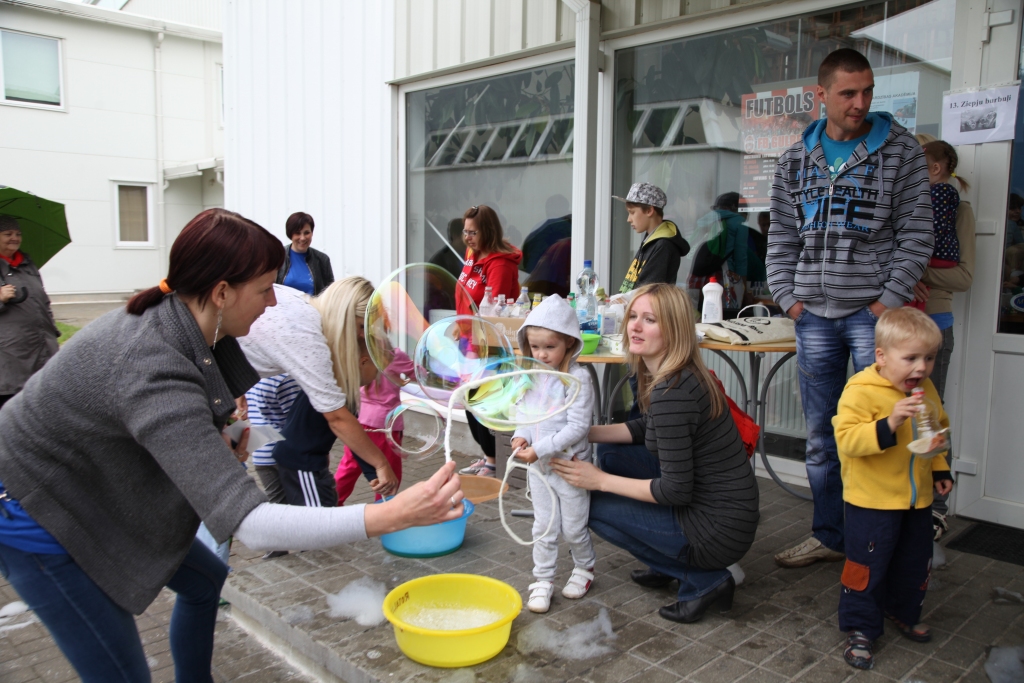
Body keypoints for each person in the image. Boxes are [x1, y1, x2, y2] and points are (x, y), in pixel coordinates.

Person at [0, 208, 466, 683]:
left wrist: (220, 431)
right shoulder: (151, 363)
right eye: (265, 290)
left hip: (91, 484)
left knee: (205, 583)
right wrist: (394, 514)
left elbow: (175, 412)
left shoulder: (195, 324)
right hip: (38, 510)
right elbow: (254, 526)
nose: (272, 304)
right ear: (222, 292)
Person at [767, 48, 934, 569]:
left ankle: (884, 540)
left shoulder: (901, 153)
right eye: (847, 93)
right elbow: (781, 238)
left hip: (872, 319)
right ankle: (830, 535)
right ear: (821, 96)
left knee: (887, 427)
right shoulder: (795, 160)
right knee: (823, 435)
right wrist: (789, 300)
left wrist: (887, 302)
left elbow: (917, 235)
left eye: (866, 92)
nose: (859, 102)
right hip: (812, 317)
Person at [551, 284, 759, 624]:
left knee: (589, 504)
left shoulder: (672, 391)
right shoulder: (680, 373)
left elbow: (676, 490)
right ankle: (666, 561)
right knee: (612, 452)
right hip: (726, 510)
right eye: (633, 316)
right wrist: (583, 432)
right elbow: (648, 427)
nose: (634, 326)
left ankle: (704, 580)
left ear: (674, 329)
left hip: (717, 529)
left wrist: (599, 481)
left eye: (650, 320)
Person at [832, 307, 952, 670]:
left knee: (914, 561)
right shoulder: (861, 390)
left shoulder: (925, 388)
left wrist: (939, 470)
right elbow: (848, 440)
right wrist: (891, 421)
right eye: (911, 358)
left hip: (916, 500)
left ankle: (902, 611)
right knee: (866, 566)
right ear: (881, 357)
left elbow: (938, 430)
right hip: (872, 500)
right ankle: (861, 627)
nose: (921, 368)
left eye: (929, 358)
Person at [239, 278, 401, 510]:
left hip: (299, 458)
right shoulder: (307, 337)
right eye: (361, 327)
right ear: (343, 316)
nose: (361, 337)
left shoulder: (304, 314)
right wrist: (381, 464)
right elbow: (338, 420)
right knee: (317, 524)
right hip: (299, 462)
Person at [509, 296, 596, 613]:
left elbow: (577, 428)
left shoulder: (578, 379)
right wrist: (520, 436)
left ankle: (585, 567)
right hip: (540, 468)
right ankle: (542, 579)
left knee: (574, 528)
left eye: (549, 346)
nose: (542, 354)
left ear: (570, 343)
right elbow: (525, 415)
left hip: (570, 469)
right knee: (543, 527)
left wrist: (539, 449)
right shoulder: (532, 375)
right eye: (535, 347)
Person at [909, 136, 976, 540]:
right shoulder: (906, 205)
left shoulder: (957, 211)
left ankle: (937, 508)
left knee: (930, 412)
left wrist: (920, 274)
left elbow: (964, 277)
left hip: (934, 324)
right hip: (896, 324)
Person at [455, 204, 523, 478]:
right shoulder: (473, 253)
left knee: (483, 400)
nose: (467, 238)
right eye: (465, 231)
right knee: (469, 401)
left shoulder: (500, 264)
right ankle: (487, 457)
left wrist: (475, 347)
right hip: (467, 338)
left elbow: (494, 310)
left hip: (487, 344)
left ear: (488, 231)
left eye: (473, 232)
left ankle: (494, 462)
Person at [335, 349, 413, 504]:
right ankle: (384, 512)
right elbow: (418, 374)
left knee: (349, 467)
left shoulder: (357, 352)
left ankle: (329, 503)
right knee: (389, 474)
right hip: (384, 425)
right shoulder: (394, 355)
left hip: (359, 419)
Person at [0, 215, 60, 408]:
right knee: (11, 408)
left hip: (42, 345)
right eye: (7, 234)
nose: (14, 238)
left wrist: (52, 331)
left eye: (18, 234)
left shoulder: (27, 264)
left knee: (40, 402)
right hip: (10, 354)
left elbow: (43, 300)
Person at [613, 182, 690, 295]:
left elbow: (647, 292)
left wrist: (619, 301)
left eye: (632, 212)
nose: (628, 219)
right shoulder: (650, 241)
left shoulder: (663, 246)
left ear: (649, 211)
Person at [276, 211, 335, 296]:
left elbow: (330, 295)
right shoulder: (278, 256)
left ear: (312, 233)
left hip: (314, 309)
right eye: (297, 233)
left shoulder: (322, 260)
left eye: (306, 233)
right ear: (290, 234)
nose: (303, 238)